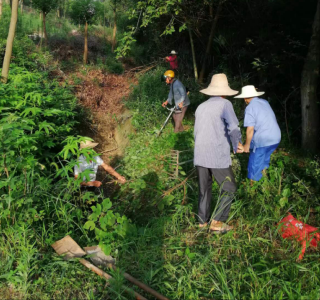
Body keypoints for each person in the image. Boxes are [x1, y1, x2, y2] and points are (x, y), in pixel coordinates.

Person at [194, 74, 243, 232]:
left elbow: (196, 132)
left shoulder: (200, 107)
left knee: (204, 189)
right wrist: (237, 145)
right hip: (216, 154)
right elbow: (234, 128)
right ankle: (217, 221)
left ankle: (202, 222)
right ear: (224, 91)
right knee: (229, 186)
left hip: (200, 154)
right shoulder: (225, 104)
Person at [234, 85, 281, 182]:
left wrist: (246, 146)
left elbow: (250, 129)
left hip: (263, 139)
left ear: (245, 98)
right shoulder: (265, 102)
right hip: (275, 138)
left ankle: (253, 191)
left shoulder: (250, 107)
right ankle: (264, 184)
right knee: (263, 162)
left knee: (254, 166)